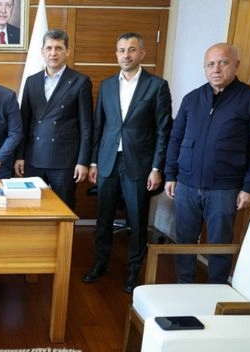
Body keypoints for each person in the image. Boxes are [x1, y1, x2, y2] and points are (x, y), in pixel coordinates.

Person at [82, 32, 172, 293]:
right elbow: (99, 126)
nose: (126, 55)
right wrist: (94, 163)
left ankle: (133, 272)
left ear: (142, 53)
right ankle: (100, 264)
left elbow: (163, 130)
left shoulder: (157, 86)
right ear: (116, 54)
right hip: (108, 161)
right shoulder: (107, 85)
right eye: (121, 50)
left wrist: (156, 168)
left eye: (132, 50)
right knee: (103, 218)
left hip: (139, 165)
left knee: (137, 221)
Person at [164, 43, 250, 284]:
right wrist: (170, 174)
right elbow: (175, 139)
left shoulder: (249, 99)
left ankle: (216, 291)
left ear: (236, 65)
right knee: (184, 241)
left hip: (224, 189)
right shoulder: (192, 99)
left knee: (219, 244)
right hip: (186, 185)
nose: (216, 69)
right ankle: (184, 286)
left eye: (223, 63)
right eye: (210, 64)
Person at [15, 29, 93, 210]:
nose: (53, 53)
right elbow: (24, 123)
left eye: (58, 48)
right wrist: (19, 156)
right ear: (42, 51)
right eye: (49, 48)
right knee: (31, 209)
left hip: (64, 161)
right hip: (33, 159)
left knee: (63, 211)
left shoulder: (80, 81)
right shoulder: (31, 81)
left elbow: (86, 126)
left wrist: (83, 161)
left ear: (67, 51)